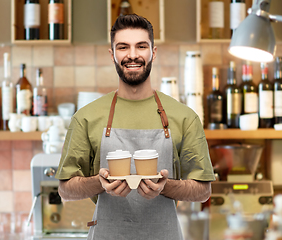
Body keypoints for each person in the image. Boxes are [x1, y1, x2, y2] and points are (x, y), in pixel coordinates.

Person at [55, 14, 215, 240]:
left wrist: (164, 187)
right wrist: (98, 183)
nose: (132, 55)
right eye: (123, 47)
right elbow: (66, 189)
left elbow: (203, 190)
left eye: (141, 46)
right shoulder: (86, 117)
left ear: (153, 52)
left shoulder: (184, 117)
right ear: (112, 54)